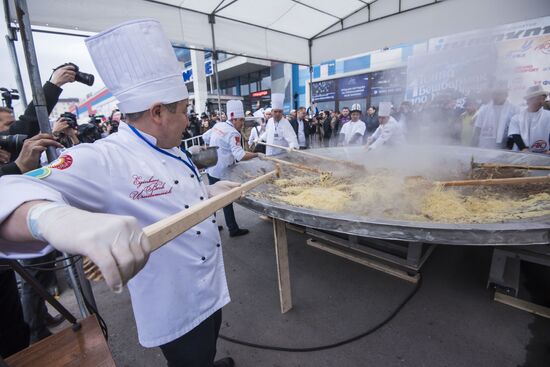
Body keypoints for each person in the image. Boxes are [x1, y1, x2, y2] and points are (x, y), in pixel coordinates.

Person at [0, 20, 238, 367]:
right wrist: (51, 217)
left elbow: (175, 196)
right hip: (174, 303)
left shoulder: (169, 146)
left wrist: (209, 192)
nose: (188, 121)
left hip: (210, 285)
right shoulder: (105, 158)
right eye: (184, 111)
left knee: (208, 350)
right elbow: (7, 189)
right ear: (157, 112)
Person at [204, 100, 258, 237]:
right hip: (222, 171)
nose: (242, 124)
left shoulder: (219, 125)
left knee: (213, 199)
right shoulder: (234, 133)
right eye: (241, 121)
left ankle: (211, 227)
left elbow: (205, 137)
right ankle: (233, 229)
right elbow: (240, 155)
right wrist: (257, 154)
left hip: (211, 168)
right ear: (235, 119)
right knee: (226, 200)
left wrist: (216, 147)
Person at [472, 82, 519, 149]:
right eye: (494, 94)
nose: (495, 97)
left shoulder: (514, 110)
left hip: (505, 148)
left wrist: (509, 147)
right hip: (485, 147)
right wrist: (473, 146)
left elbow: (515, 131)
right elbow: (477, 129)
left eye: (499, 94)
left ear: (506, 95)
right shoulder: (484, 109)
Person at [508, 85, 550, 154]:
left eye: (543, 98)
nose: (541, 101)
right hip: (520, 154)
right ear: (529, 100)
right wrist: (523, 149)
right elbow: (515, 134)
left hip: (543, 154)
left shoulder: (548, 115)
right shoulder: (517, 118)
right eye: (538, 99)